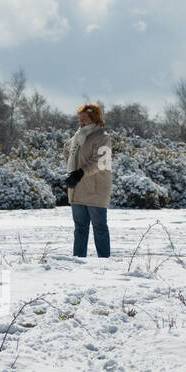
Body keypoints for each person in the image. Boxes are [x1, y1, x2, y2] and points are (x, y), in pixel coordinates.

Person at [64, 103, 113, 257]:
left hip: (96, 189)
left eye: (84, 119)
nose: (81, 122)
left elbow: (101, 162)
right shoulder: (79, 136)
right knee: (80, 227)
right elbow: (68, 153)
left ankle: (104, 262)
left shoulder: (102, 137)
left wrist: (80, 172)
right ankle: (78, 261)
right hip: (77, 188)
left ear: (94, 119)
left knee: (99, 227)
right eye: (80, 119)